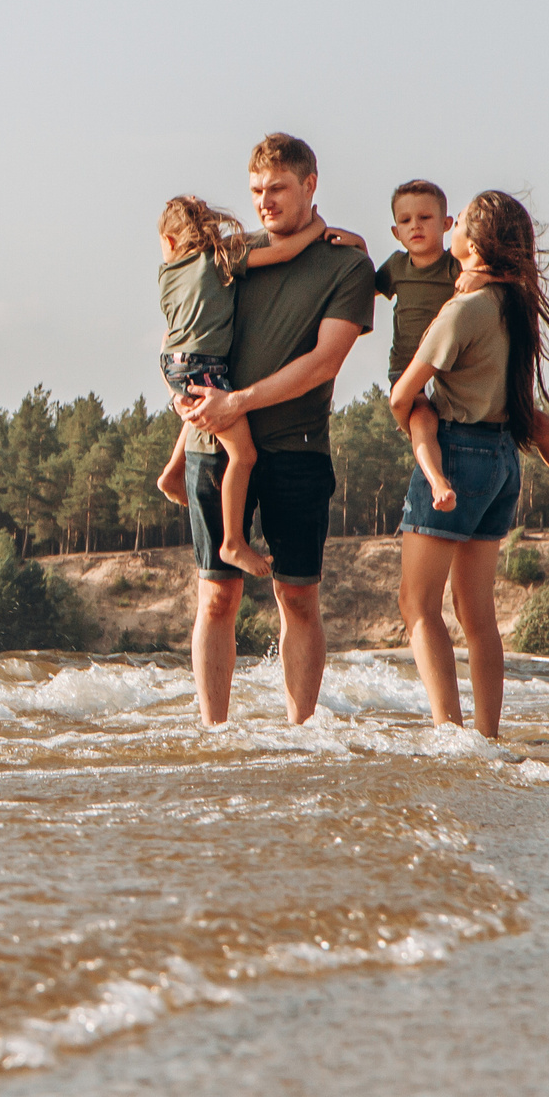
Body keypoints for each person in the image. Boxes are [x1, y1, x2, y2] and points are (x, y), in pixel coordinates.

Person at [390, 188, 549, 737]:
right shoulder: (516, 307)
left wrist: (417, 423)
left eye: (457, 224)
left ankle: (448, 734)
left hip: (457, 452)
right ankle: (486, 736)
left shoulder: (463, 310)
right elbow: (534, 419)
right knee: (477, 617)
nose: (448, 228)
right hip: (502, 462)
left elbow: (402, 394)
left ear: (474, 243)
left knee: (417, 605)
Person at [175, 133, 376, 727]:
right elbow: (187, 334)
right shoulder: (229, 257)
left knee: (297, 596)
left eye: (278, 188)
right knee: (217, 595)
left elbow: (324, 362)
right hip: (213, 445)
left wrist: (238, 401)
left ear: (310, 185)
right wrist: (188, 406)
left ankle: (301, 737)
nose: (265, 201)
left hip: (298, 448)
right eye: (257, 190)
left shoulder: (348, 264)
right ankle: (214, 736)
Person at [153, 195, 363, 576]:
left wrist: (175, 389)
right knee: (243, 455)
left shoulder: (166, 272)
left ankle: (172, 470)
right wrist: (318, 228)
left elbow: (173, 331)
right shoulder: (220, 259)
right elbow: (284, 253)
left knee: (205, 406)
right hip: (204, 367)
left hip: (173, 363)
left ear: (169, 241)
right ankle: (233, 542)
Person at [372, 180, 464, 515]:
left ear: (446, 224)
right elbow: (358, 289)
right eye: (406, 220)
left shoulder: (456, 267)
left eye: (425, 217)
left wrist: (477, 278)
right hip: (405, 369)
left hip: (446, 369)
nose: (416, 226)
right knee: (421, 420)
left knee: (448, 426)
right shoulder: (396, 266)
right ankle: (438, 482)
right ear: (396, 232)